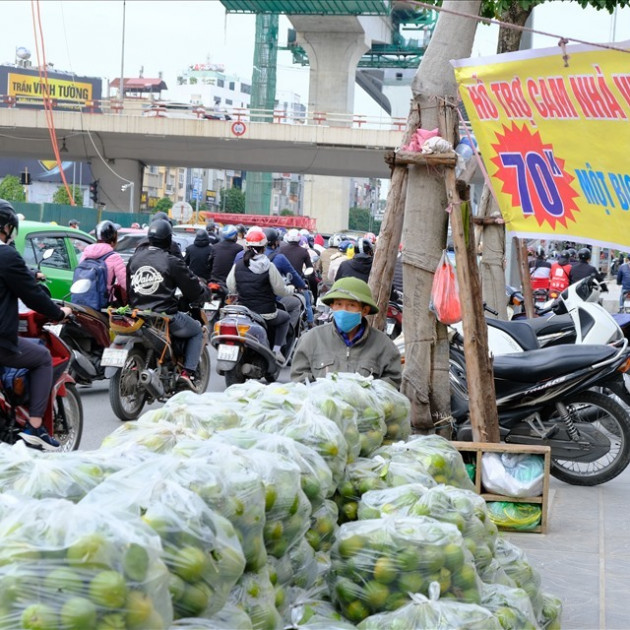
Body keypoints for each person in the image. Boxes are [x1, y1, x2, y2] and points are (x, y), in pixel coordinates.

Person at [0, 200, 72, 450]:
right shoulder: (6, 254)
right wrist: (59, 313)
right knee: (42, 357)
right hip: (2, 342)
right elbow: (33, 296)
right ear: (7, 227)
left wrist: (30, 273)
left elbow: (13, 274)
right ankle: (35, 426)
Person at [127, 219, 209, 389]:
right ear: (168, 239)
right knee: (196, 331)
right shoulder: (171, 261)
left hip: (138, 314)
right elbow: (192, 289)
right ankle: (187, 373)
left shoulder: (135, 259)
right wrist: (201, 294)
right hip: (165, 316)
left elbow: (129, 287)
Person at [290, 277, 402, 388]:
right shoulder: (311, 339)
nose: (344, 310)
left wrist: (368, 396)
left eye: (351, 305)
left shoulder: (383, 345)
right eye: (339, 304)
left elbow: (392, 382)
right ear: (332, 306)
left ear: (364, 310)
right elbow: (299, 378)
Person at [226, 228, 295, 363]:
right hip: (266, 313)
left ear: (247, 246)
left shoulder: (239, 265)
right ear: (264, 247)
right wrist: (290, 290)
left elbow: (231, 286)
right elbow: (280, 290)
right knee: (285, 318)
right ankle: (276, 350)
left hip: (244, 312)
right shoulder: (268, 266)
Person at [263, 227, 308, 333]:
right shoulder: (277, 259)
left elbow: (232, 284)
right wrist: (300, 286)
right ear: (275, 242)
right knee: (296, 303)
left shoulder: (244, 257)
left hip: (245, 301)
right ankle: (287, 335)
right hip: (268, 303)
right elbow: (291, 278)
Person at [79, 220, 128, 305]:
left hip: (83, 299)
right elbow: (125, 283)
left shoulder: (86, 253)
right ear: (113, 237)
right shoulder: (114, 257)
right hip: (104, 302)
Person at [278, 228, 315, 325]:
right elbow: (310, 268)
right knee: (308, 304)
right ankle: (310, 323)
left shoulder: (280, 250)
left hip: (282, 283)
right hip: (298, 283)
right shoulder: (304, 251)